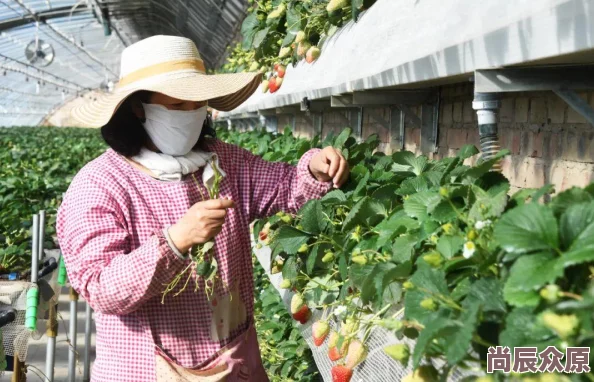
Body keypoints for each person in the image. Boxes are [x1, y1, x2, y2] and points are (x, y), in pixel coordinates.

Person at [57, 35, 349, 382]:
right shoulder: (101, 184)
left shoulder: (224, 161)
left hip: (235, 363)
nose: (192, 113)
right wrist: (174, 242)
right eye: (178, 106)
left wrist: (315, 168)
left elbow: (285, 189)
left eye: (198, 103)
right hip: (149, 371)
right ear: (138, 108)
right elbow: (101, 287)